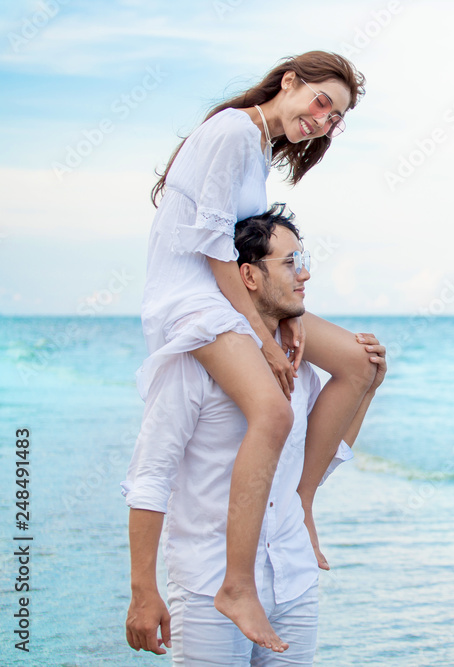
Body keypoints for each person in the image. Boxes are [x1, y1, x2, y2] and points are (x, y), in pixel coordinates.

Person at [139, 51, 374, 650]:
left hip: (234, 293)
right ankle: (236, 585)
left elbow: (252, 253)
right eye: (322, 102)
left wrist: (287, 317)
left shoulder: (255, 149)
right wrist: (263, 335)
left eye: (336, 118)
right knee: (273, 411)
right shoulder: (233, 131)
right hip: (195, 301)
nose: (324, 120)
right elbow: (218, 252)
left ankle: (299, 505)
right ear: (290, 82)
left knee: (359, 363)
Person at [124, 205, 386, 663]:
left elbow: (310, 467)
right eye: (289, 264)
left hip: (293, 578)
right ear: (247, 276)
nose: (303, 276)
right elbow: (150, 478)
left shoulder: (299, 369)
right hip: (208, 586)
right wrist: (143, 591)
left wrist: (368, 387)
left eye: (303, 261)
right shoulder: (191, 366)